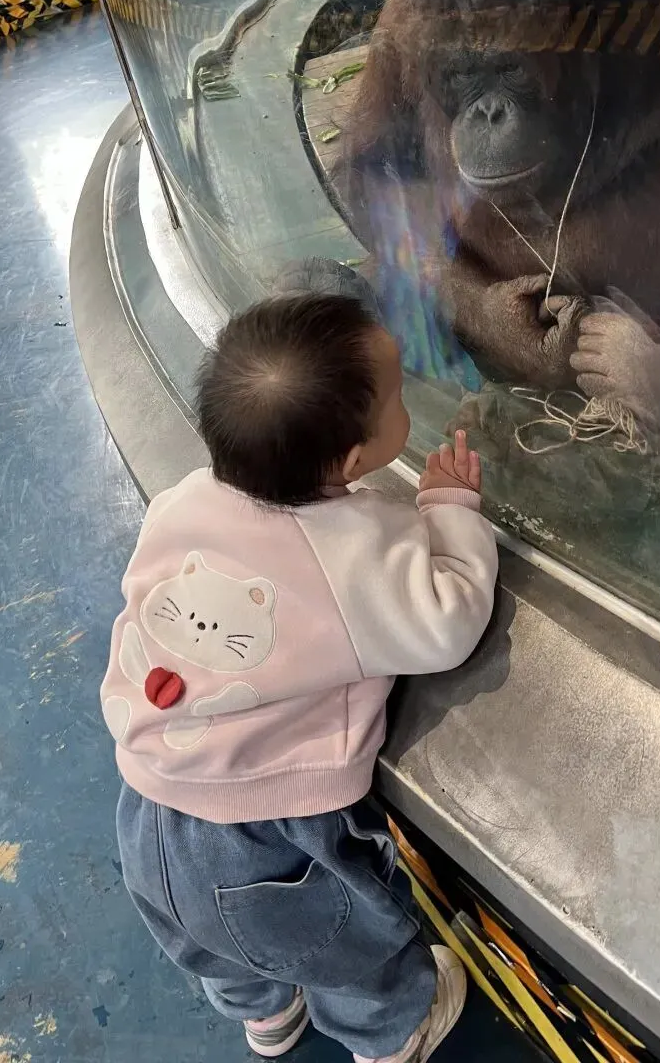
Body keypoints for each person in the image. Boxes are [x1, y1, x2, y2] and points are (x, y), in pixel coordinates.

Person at [100, 292, 498, 1060]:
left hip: (147, 806)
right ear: (351, 461)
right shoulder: (354, 554)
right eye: (395, 400)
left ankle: (267, 1017)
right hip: (269, 836)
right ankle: (392, 1036)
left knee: (211, 942)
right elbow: (447, 622)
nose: (404, 403)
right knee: (341, 946)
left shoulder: (182, 502)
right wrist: (451, 510)